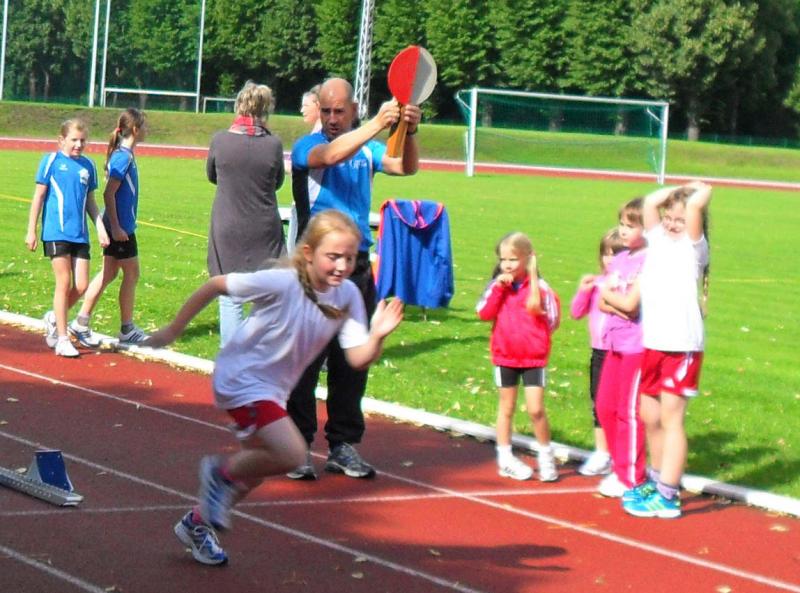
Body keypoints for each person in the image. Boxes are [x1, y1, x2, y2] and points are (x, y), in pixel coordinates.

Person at [143, 210, 405, 566]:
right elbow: (217, 284)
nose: (342, 266)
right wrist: (173, 330)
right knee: (293, 454)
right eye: (333, 256)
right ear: (309, 253)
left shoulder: (347, 295)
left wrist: (377, 336)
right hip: (242, 379)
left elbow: (357, 358)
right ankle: (219, 474)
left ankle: (196, 523)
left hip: (272, 390)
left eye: (350, 257)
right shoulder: (283, 283)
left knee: (256, 471)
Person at [286, 77, 421, 480]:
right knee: (305, 361)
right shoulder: (307, 146)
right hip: (316, 271)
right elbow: (329, 156)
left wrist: (409, 131)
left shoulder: (367, 149)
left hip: (358, 267)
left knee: (352, 363)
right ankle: (297, 445)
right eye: (325, 111)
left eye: (338, 111)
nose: (331, 118)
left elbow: (404, 166)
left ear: (353, 110)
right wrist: (378, 124)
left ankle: (343, 445)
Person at [621, 182, 711, 519]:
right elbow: (650, 202)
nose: (673, 224)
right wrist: (679, 187)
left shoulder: (694, 248)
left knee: (672, 419)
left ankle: (669, 494)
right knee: (650, 416)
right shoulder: (656, 239)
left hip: (681, 345)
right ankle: (656, 479)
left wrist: (697, 190)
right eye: (668, 218)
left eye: (680, 219)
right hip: (654, 343)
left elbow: (697, 204)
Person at [206, 81, 286, 346]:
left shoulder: (220, 140)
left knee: (230, 295)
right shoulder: (273, 144)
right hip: (264, 226)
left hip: (228, 223)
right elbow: (278, 182)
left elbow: (212, 175)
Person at [476, 232, 561, 482]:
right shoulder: (497, 286)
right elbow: (484, 313)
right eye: (503, 260)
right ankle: (505, 457)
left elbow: (553, 320)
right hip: (505, 357)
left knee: (536, 409)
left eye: (513, 259)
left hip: (533, 359)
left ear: (527, 258)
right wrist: (499, 289)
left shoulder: (541, 289)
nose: (507, 265)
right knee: (506, 407)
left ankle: (545, 455)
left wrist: (538, 341)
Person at [25, 118, 110, 357]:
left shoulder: (88, 166)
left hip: (79, 234)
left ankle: (54, 317)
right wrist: (31, 229)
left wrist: (100, 227)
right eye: (74, 140)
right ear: (61, 140)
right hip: (56, 231)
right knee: (63, 282)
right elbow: (39, 197)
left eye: (83, 140)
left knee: (81, 285)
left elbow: (90, 202)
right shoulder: (51, 161)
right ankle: (62, 339)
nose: (79, 145)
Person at [70, 108, 148, 347]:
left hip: (120, 226)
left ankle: (81, 322)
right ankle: (127, 328)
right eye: (145, 126)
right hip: (120, 228)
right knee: (132, 274)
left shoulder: (124, 155)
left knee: (108, 273)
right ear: (135, 129)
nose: (147, 130)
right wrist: (115, 227)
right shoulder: (123, 157)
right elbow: (108, 193)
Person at [595, 198, 648, 499]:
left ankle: (631, 476)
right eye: (622, 224)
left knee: (628, 411)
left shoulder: (649, 261)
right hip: (614, 341)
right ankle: (619, 465)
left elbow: (630, 305)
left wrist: (613, 300)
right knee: (604, 406)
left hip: (636, 345)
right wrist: (616, 303)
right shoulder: (621, 259)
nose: (623, 231)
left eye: (631, 226)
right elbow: (604, 302)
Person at [570, 228, 625, 476]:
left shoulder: (628, 287)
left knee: (621, 406)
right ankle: (602, 452)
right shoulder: (597, 284)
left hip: (622, 352)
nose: (610, 260)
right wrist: (584, 290)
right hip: (599, 352)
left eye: (616, 254)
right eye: (606, 254)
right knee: (599, 403)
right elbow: (576, 312)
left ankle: (620, 455)